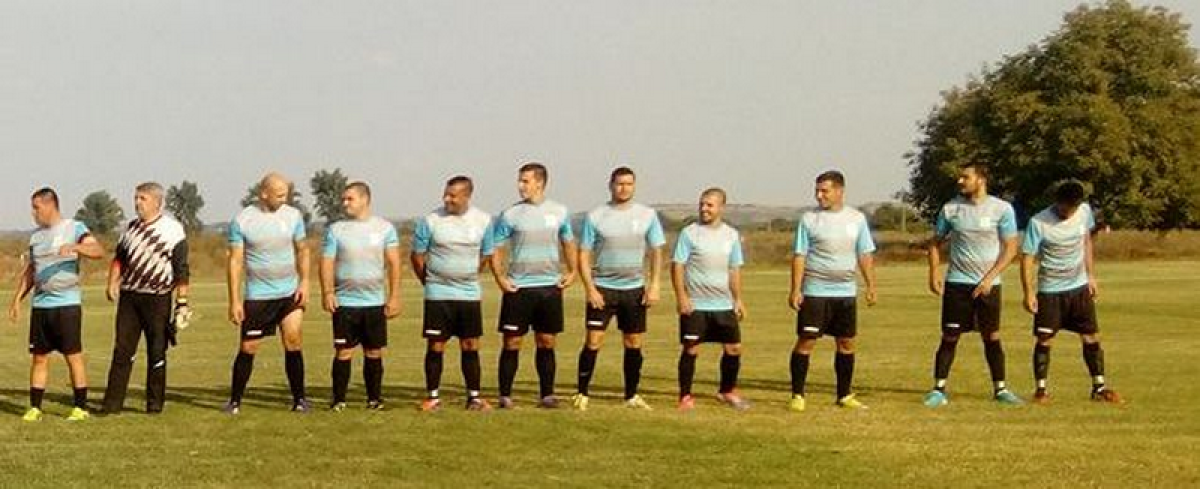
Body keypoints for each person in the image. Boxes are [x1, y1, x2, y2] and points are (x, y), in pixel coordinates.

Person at [922, 163, 1023, 407]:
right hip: (957, 284)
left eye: (965, 177)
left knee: (992, 336)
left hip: (989, 286)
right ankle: (938, 390)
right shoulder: (951, 209)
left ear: (981, 180)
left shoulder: (1001, 209)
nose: (960, 181)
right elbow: (935, 243)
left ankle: (1001, 390)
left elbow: (1011, 248)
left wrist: (990, 278)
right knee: (950, 336)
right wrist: (934, 272)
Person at [572, 166, 665, 411]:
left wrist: (655, 284)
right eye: (619, 183)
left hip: (634, 289)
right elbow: (583, 254)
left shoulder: (647, 215)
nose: (624, 188)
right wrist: (590, 289)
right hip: (603, 288)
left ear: (634, 186)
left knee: (633, 342)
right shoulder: (596, 216)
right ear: (611, 185)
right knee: (593, 341)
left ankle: (631, 395)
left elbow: (657, 251)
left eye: (629, 184)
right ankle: (582, 392)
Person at [1020, 180, 1121, 405]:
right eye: (1066, 206)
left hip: (1078, 288)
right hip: (1050, 291)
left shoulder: (1084, 212)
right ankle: (1041, 391)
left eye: (1074, 207)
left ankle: (1099, 388)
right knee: (1045, 338)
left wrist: (1090, 275)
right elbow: (1027, 258)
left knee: (1091, 336)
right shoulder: (1038, 222)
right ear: (1057, 202)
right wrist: (1029, 292)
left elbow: (1086, 242)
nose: (1070, 211)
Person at [8, 187, 105, 422]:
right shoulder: (36, 237)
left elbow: (98, 250)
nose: (33, 213)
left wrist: (76, 247)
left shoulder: (74, 228)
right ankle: (35, 407)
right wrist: (17, 299)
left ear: (50, 205)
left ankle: (80, 407)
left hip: (67, 305)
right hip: (41, 306)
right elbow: (31, 271)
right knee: (39, 357)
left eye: (36, 208)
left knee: (73, 356)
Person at [787, 171, 877, 411]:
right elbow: (799, 255)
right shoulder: (809, 219)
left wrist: (870, 285)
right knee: (806, 341)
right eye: (817, 191)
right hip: (815, 292)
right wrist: (796, 289)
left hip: (845, 293)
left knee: (846, 343)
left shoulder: (856, 219)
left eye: (824, 191)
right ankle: (797, 395)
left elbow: (864, 253)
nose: (819, 195)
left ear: (839, 191)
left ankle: (844, 395)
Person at [491, 162, 578, 409]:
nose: (520, 186)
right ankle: (505, 396)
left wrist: (572, 271)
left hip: (549, 287)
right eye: (520, 181)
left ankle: (547, 395)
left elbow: (568, 242)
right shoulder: (510, 214)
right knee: (512, 342)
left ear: (540, 183)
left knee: (547, 341)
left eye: (525, 181)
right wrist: (500, 277)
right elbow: (496, 248)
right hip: (518, 288)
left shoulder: (559, 211)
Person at [224, 172, 311, 414]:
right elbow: (235, 261)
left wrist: (305, 282)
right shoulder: (243, 220)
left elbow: (303, 250)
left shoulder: (293, 216)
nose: (284, 199)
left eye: (286, 195)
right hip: (258, 296)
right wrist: (234, 300)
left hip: (289, 293)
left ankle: (299, 400)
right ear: (264, 193)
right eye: (279, 195)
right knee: (249, 347)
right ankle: (234, 401)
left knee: (293, 340)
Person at [101, 182, 191, 415]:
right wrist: (112, 282)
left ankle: (154, 403)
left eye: (143, 198)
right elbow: (119, 259)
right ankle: (112, 404)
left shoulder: (172, 230)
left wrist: (182, 303)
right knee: (122, 350)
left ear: (157, 202)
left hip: (157, 298)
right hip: (130, 298)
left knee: (157, 351)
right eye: (136, 198)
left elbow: (181, 269)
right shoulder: (129, 228)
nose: (137, 203)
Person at [411, 176, 494, 412]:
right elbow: (417, 256)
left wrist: (469, 274)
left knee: (470, 344)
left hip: (468, 294)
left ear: (467, 196)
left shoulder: (484, 221)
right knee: (436, 345)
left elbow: (487, 254)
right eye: (446, 194)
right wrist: (429, 281)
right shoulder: (431, 220)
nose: (447, 199)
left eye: (453, 195)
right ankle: (433, 397)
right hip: (438, 294)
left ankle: (474, 397)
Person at [320, 181, 402, 412]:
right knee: (343, 351)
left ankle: (374, 399)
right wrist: (328, 292)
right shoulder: (337, 229)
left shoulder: (384, 228)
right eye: (344, 199)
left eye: (350, 199)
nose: (345, 203)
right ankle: (338, 400)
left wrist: (394, 296)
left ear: (365, 199)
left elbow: (394, 263)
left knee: (374, 352)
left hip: (374, 303)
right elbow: (326, 262)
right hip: (345, 303)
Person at [672, 187, 748, 411]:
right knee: (691, 349)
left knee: (734, 348)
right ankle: (685, 396)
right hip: (696, 305)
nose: (704, 209)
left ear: (721, 207)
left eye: (709, 205)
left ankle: (727, 391)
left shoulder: (731, 235)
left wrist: (738, 299)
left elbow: (734, 270)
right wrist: (682, 297)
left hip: (723, 305)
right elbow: (678, 266)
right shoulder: (689, 233)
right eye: (702, 204)